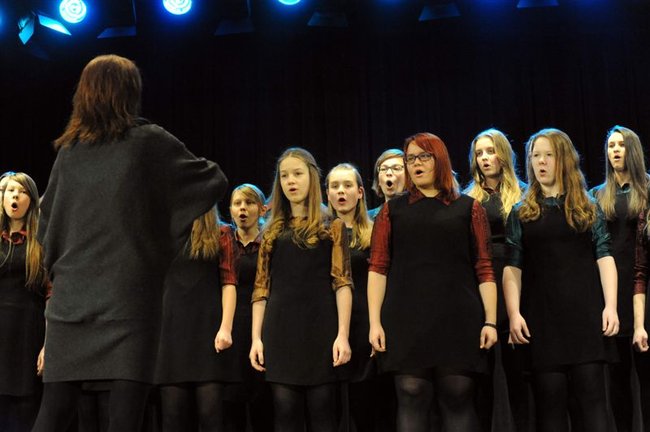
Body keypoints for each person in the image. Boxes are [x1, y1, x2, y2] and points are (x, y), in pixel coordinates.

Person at [32, 54, 227, 432]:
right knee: (123, 419)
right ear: (128, 93)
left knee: (54, 412)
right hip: (128, 297)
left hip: (72, 299)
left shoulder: (70, 152)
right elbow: (211, 179)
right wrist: (155, 241)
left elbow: (47, 226)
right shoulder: (147, 141)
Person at [368, 132, 497, 432]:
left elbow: (484, 267)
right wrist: (375, 322)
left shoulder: (468, 208)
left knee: (457, 393)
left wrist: (490, 321)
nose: (416, 164)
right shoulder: (392, 211)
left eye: (423, 157)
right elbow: (378, 268)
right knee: (411, 393)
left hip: (457, 316)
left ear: (439, 159)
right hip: (406, 317)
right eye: (410, 159)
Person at [503, 128, 619, 432]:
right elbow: (513, 266)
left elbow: (604, 255)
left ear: (564, 159)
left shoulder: (588, 207)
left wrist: (610, 306)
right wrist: (514, 314)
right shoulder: (521, 212)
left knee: (592, 402)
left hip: (584, 316)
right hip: (543, 319)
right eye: (535, 156)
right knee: (550, 405)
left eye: (548, 155)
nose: (541, 162)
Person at [249, 147, 353, 432]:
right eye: (284, 176)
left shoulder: (332, 227)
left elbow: (342, 282)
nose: (290, 181)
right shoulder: (271, 231)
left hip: (320, 327)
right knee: (285, 411)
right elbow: (261, 289)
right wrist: (256, 338)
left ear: (311, 177)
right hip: (280, 329)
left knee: (322, 410)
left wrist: (342, 335)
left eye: (297, 174)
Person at [463, 128, 528, 432]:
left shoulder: (525, 193)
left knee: (520, 373)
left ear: (504, 154)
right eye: (479, 153)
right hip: (482, 282)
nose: (485, 158)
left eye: (491, 151)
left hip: (517, 279)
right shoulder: (467, 199)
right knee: (482, 376)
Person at [155, 206, 238, 432]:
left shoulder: (221, 233)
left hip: (207, 331)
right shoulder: (164, 233)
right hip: (171, 332)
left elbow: (229, 283)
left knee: (210, 413)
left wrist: (226, 328)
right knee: (173, 415)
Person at [590, 125, 649, 432]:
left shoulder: (648, 189)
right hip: (611, 292)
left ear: (632, 150)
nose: (614, 150)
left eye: (621, 145)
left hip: (643, 288)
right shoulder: (598, 195)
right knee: (617, 381)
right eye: (611, 146)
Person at [325, 163, 378, 432]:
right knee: (329, 407)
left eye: (347, 185)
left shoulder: (374, 232)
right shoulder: (321, 233)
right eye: (334, 186)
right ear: (327, 194)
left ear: (360, 192)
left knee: (365, 403)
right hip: (327, 323)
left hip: (364, 323)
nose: (341, 191)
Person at [0, 173, 48, 432]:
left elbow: (52, 296)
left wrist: (48, 345)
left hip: (27, 335)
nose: (15, 196)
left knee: (25, 411)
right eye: (9, 191)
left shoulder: (40, 242)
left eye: (22, 191)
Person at [224, 183, 273, 432]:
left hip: (263, 326)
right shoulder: (224, 243)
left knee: (262, 404)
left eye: (249, 203)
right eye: (237, 203)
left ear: (262, 209)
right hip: (231, 328)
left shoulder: (269, 243)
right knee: (231, 404)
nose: (243, 208)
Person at [368, 149, 406, 220]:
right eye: (383, 169)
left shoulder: (418, 214)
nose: (388, 173)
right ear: (378, 181)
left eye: (396, 168)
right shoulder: (368, 218)